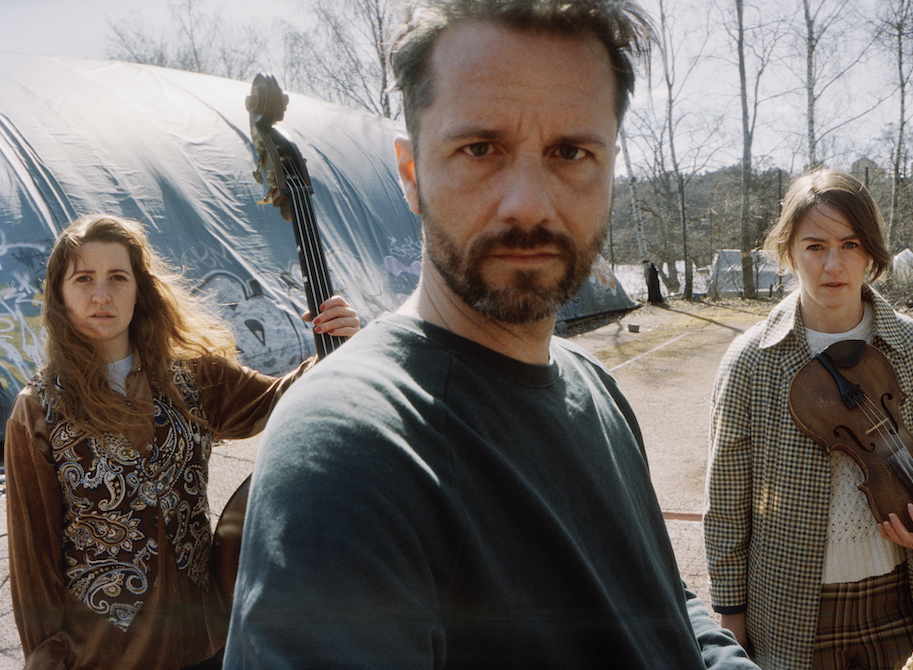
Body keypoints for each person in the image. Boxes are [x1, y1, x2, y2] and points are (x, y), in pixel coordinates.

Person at [222, 2, 755, 668]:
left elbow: (659, 604)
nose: (528, 203)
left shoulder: (597, 390)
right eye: (480, 148)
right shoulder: (349, 450)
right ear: (411, 175)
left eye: (571, 152)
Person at [5, 214, 359, 670]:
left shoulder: (193, 377)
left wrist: (341, 346)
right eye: (84, 279)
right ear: (60, 294)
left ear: (140, 289)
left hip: (204, 641)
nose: (101, 295)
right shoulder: (37, 410)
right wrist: (47, 656)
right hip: (103, 654)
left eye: (118, 277)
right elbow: (33, 557)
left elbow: (280, 400)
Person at [704, 168, 913, 670]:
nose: (833, 264)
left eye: (850, 244)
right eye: (814, 246)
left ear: (872, 253)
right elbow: (726, 500)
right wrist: (731, 615)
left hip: (904, 597)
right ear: (788, 252)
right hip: (788, 615)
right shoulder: (749, 362)